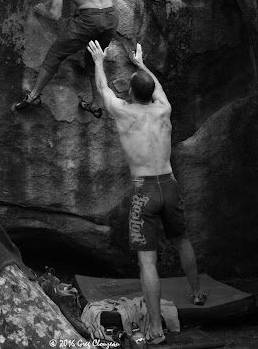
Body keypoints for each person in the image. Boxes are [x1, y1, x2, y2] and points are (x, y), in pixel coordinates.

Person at [86, 40, 206, 345]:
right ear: (151, 92)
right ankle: (197, 291)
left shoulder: (124, 111)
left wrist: (99, 60)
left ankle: (154, 327)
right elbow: (159, 89)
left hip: (144, 191)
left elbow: (103, 90)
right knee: (182, 239)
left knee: (147, 262)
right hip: (169, 183)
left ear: (130, 93)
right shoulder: (164, 108)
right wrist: (140, 64)